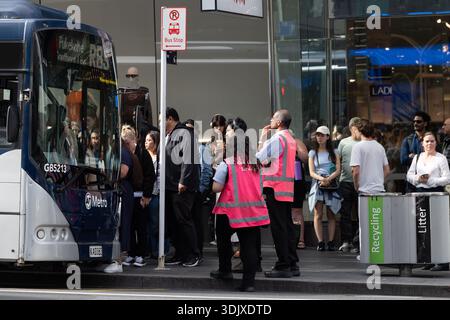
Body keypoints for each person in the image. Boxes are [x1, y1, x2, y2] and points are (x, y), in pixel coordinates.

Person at [210, 117, 270, 292]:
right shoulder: (255, 163)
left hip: (229, 211)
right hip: (251, 211)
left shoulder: (227, 164)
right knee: (249, 247)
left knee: (223, 240)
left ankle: (225, 271)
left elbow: (216, 187)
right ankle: (248, 283)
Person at [256, 109, 299, 278]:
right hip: (286, 188)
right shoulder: (290, 139)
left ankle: (283, 265)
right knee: (287, 226)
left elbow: (259, 158)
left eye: (273, 117)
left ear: (280, 122)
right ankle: (292, 262)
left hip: (274, 187)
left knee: (279, 228)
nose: (271, 120)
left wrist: (261, 139)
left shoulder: (277, 139)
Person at [407, 131, 450, 272]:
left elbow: (447, 178)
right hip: (420, 195)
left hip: (436, 194)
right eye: (427, 141)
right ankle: (427, 259)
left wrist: (431, 180)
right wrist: (418, 179)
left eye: (432, 141)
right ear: (422, 143)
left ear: (436, 143)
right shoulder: (417, 157)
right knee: (423, 228)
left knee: (437, 228)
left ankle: (442, 261)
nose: (429, 144)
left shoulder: (441, 158)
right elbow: (409, 175)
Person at [164, 107, 201, 267]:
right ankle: (180, 253)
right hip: (170, 185)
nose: (160, 123)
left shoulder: (185, 133)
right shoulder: (170, 135)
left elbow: (189, 157)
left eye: (162, 119)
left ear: (170, 119)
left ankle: (193, 254)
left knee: (184, 220)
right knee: (174, 222)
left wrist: (183, 181)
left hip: (181, 186)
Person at [103, 125, 135, 273]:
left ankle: (120, 259)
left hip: (123, 190)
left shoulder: (122, 152)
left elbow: (123, 172)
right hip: (119, 189)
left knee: (123, 223)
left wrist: (108, 174)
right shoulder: (116, 150)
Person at [307, 126, 342, 251]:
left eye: (322, 135)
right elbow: (311, 172)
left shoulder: (335, 152)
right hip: (318, 184)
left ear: (328, 137)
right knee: (318, 214)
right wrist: (322, 179)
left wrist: (329, 179)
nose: (319, 137)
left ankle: (331, 241)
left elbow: (338, 169)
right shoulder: (312, 153)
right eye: (317, 135)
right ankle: (320, 242)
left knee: (331, 214)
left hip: (331, 184)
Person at [336, 117, 362, 253]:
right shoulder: (343, 143)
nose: (360, 131)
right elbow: (337, 161)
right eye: (358, 128)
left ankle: (358, 242)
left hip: (361, 183)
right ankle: (346, 241)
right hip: (345, 182)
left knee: (360, 213)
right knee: (345, 213)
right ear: (352, 129)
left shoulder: (365, 142)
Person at [144, 131, 170, 258]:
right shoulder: (144, 156)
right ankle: (151, 249)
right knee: (148, 223)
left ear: (155, 143)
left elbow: (158, 178)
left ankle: (160, 249)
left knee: (157, 223)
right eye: (146, 140)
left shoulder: (159, 158)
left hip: (156, 193)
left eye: (149, 140)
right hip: (147, 193)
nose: (146, 143)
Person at [400, 111, 431, 192]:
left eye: (418, 121)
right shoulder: (408, 140)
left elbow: (434, 159)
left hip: (428, 181)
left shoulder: (431, 140)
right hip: (412, 182)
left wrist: (415, 157)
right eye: (414, 121)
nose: (415, 123)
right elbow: (403, 160)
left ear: (425, 123)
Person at [290, 130, 309, 250]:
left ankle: (300, 239)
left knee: (297, 210)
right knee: (283, 211)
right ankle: (287, 238)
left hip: (296, 180)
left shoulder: (297, 142)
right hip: (281, 181)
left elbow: (306, 158)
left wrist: (295, 150)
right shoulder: (277, 142)